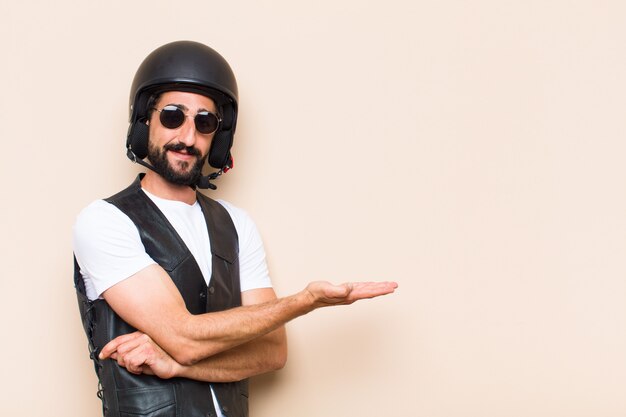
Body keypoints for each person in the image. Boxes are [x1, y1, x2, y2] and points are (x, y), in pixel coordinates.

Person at [73, 40, 398, 417]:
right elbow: (182, 336)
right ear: (145, 120)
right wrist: (304, 302)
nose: (188, 137)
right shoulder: (104, 220)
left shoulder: (236, 224)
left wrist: (176, 364)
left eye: (205, 122)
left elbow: (272, 352)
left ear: (219, 137)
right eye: (173, 116)